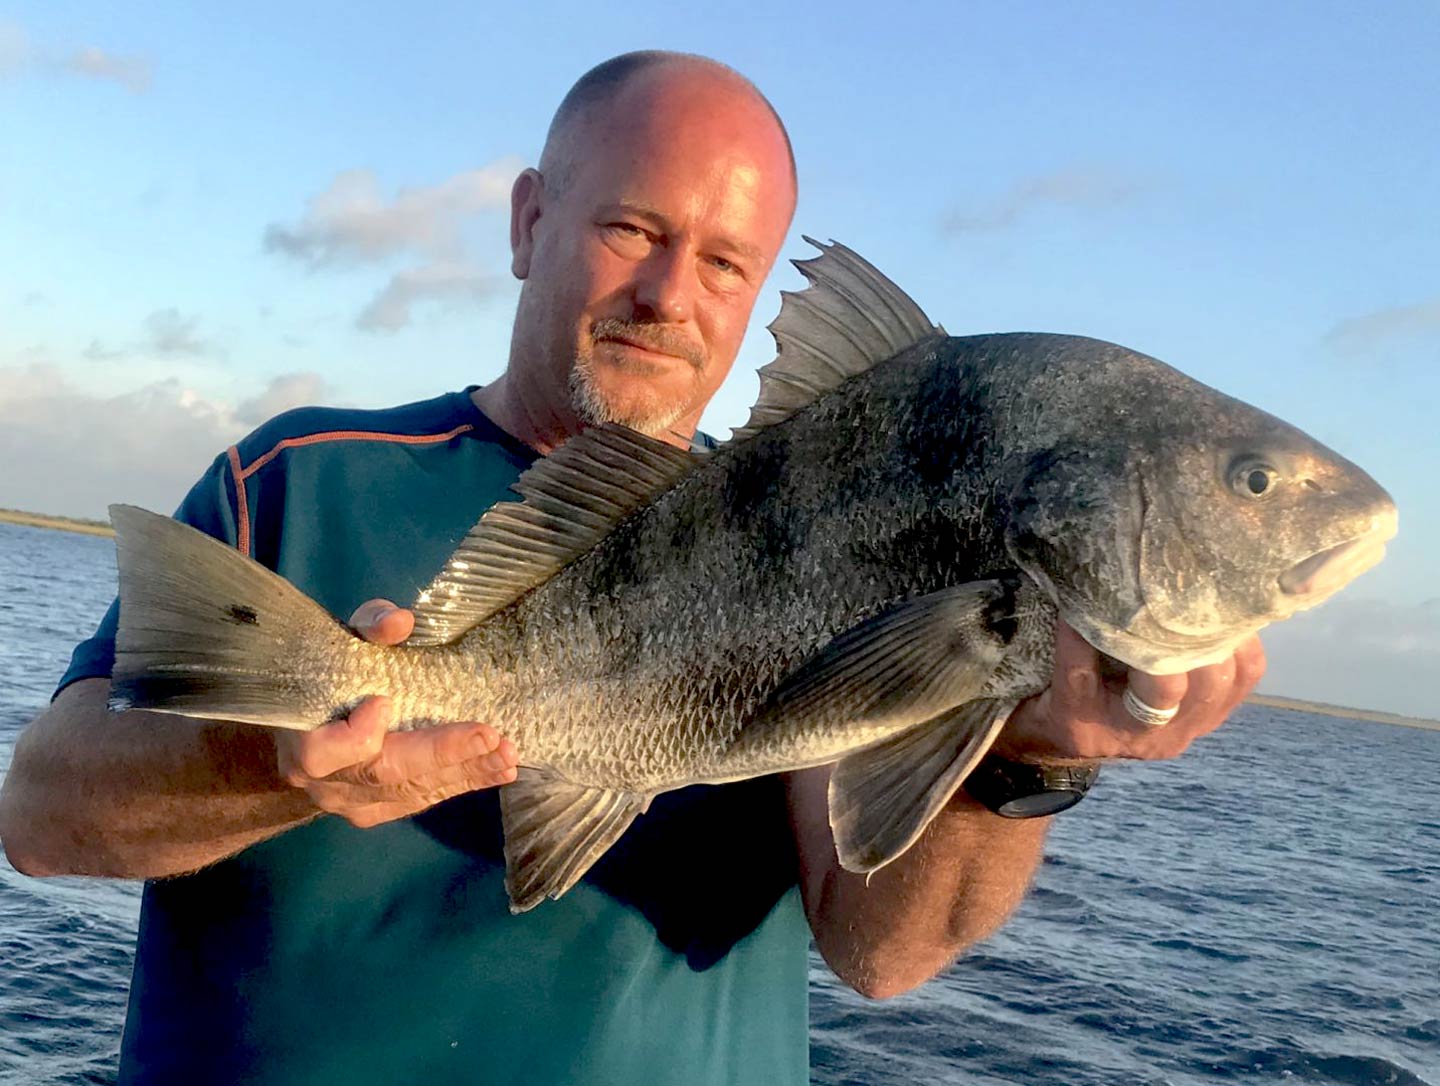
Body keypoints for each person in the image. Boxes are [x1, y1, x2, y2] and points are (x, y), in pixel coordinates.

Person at [0, 51, 1264, 1086]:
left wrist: (1027, 753)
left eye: (726, 262)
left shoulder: (824, 526)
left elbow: (885, 957)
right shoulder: (295, 479)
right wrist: (280, 764)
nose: (673, 293)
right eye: (632, 228)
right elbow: (42, 818)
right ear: (529, 221)